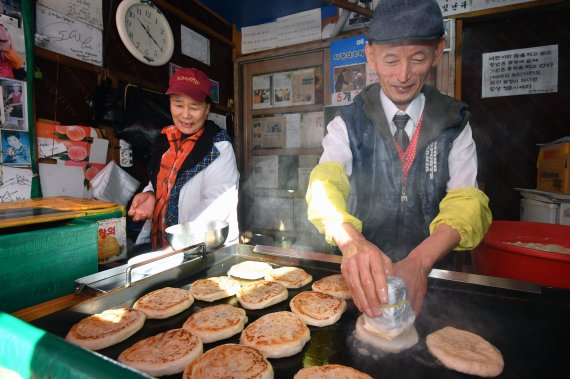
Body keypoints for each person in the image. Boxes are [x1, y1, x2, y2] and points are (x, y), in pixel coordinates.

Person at [306, 0, 491, 318]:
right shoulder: (347, 123)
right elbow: (324, 187)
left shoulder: (453, 121)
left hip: (430, 273)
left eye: (418, 59)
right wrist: (351, 242)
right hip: (361, 277)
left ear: (437, 51)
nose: (403, 75)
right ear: (371, 55)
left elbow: (467, 202)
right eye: (390, 60)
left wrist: (420, 262)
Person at [128, 67, 239, 250]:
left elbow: (217, 207)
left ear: (207, 109)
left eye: (194, 107)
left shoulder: (219, 146)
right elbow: (163, 178)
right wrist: (151, 194)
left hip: (203, 250)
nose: (185, 114)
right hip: (163, 248)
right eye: (178, 105)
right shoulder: (166, 139)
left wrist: (179, 246)